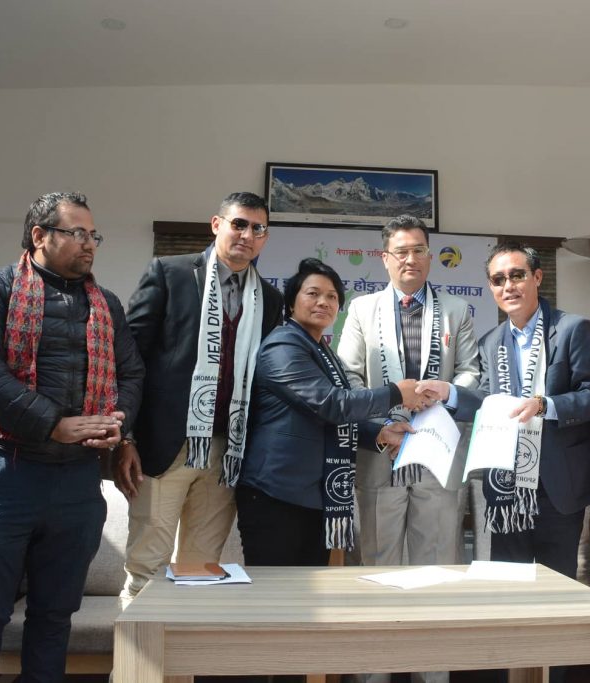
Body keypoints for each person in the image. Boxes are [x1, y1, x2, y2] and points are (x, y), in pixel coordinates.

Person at [0, 191, 144, 682]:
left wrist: (118, 426)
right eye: (77, 233)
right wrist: (52, 423)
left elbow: (131, 373)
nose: (89, 244)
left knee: (55, 617)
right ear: (39, 236)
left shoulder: (106, 304)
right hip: (5, 472)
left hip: (76, 480)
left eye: (93, 235)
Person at [114, 192, 284, 598]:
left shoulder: (270, 299)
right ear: (216, 224)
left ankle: (181, 646)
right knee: (147, 568)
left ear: (265, 238)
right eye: (238, 224)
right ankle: (135, 644)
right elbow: (130, 360)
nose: (247, 235)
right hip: (165, 446)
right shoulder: (170, 273)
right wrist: (126, 438)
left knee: (200, 571)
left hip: (227, 452)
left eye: (257, 228)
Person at [437, 243, 590, 579]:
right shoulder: (491, 342)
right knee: (508, 586)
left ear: (537, 277)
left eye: (517, 275)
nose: (508, 286)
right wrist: (450, 393)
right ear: (491, 287)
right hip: (506, 484)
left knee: (557, 585)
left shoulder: (572, 329)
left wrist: (546, 405)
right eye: (498, 279)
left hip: (557, 484)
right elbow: (487, 401)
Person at [236, 258, 421, 566]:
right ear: (291, 303)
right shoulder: (282, 346)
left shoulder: (324, 353)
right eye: (313, 293)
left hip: (312, 496)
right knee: (275, 590)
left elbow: (329, 419)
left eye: (332, 296)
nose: (324, 302)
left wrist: (380, 433)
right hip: (276, 493)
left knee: (313, 590)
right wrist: (396, 394)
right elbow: (331, 404)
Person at [337, 215, 480, 569]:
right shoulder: (361, 309)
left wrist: (446, 394)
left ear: (430, 256)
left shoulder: (456, 310)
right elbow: (349, 376)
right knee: (376, 564)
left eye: (419, 250)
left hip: (438, 453)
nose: (410, 259)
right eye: (401, 252)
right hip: (381, 451)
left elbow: (470, 372)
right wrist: (381, 427)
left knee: (437, 565)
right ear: (385, 258)